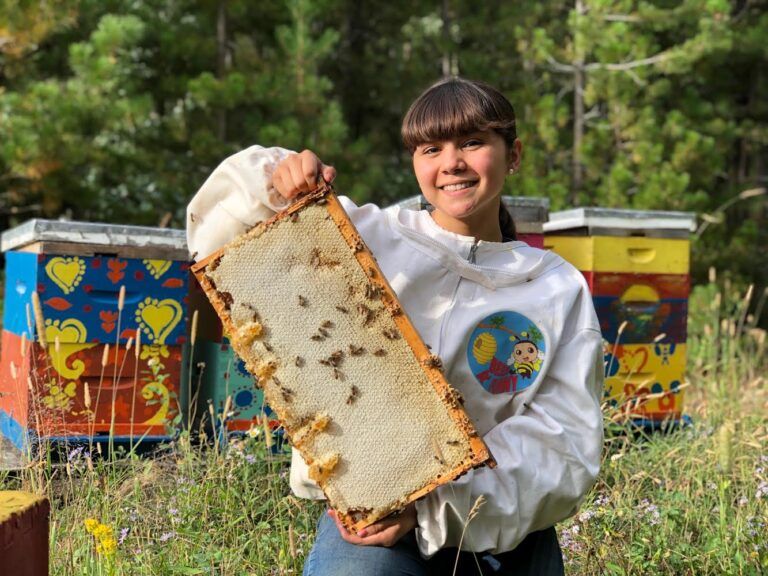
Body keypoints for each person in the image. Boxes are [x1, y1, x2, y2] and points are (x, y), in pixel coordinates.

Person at [186, 77, 604, 575]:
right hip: (376, 527)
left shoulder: (555, 289)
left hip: (507, 532)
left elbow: (564, 441)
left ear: (513, 155)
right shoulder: (369, 239)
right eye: (432, 148)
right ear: (414, 162)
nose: (451, 162)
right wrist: (278, 182)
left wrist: (430, 507)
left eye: (473, 143)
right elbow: (226, 230)